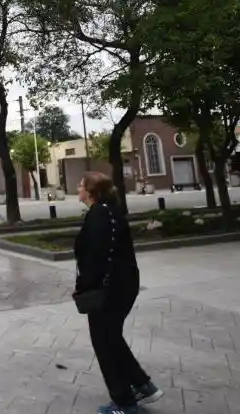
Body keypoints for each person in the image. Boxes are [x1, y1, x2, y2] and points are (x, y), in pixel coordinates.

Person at [74, 171, 163, 414]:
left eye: (81, 185)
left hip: (109, 289)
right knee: (111, 338)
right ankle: (142, 385)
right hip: (122, 285)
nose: (78, 189)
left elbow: (97, 256)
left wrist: (84, 286)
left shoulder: (99, 215)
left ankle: (124, 402)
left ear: (91, 192)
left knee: (104, 343)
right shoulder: (110, 211)